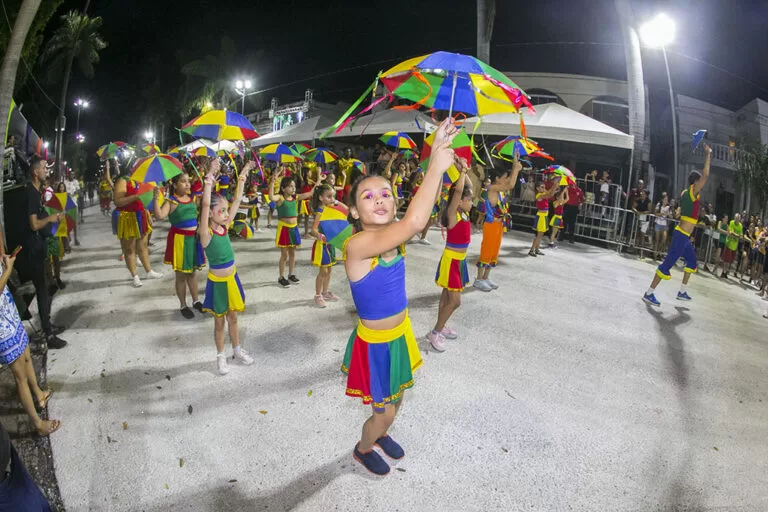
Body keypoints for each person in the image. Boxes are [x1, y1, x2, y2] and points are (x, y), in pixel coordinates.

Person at [342, 118, 459, 476]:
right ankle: (364, 447)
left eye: (385, 194)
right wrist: (436, 164)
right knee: (385, 409)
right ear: (353, 211)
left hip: (400, 333)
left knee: (400, 395)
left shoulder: (396, 239)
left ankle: (381, 435)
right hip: (376, 345)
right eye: (367, 196)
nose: (378, 199)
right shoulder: (357, 245)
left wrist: (437, 148)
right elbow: (415, 221)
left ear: (395, 205)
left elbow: (417, 216)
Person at [198, 159, 255, 375]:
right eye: (220, 210)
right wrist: (209, 178)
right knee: (219, 322)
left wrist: (243, 173)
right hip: (218, 283)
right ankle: (221, 357)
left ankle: (237, 350)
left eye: (225, 210)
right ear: (210, 214)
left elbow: (238, 199)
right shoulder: (206, 234)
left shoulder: (225, 226)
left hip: (232, 279)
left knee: (233, 318)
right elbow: (205, 204)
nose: (225, 213)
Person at [0, 252, 60, 436]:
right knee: (20, 376)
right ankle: (38, 424)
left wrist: (4, 262)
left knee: (26, 356)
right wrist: (8, 270)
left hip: (9, 313)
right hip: (2, 327)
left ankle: (39, 394)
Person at [643, 144, 711, 306]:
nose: (702, 185)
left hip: (685, 236)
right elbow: (706, 175)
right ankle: (649, 293)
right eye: (699, 182)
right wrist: (708, 155)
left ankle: (682, 291)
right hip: (681, 236)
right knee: (668, 263)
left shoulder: (685, 193)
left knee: (692, 262)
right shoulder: (693, 192)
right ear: (695, 182)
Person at [18, 156, 67, 349]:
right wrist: (50, 219)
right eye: (45, 168)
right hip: (33, 250)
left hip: (38, 247)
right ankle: (48, 334)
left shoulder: (35, 192)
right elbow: (34, 224)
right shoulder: (31, 193)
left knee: (44, 289)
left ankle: (48, 326)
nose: (47, 171)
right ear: (35, 172)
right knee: (42, 290)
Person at [428, 165, 471, 352]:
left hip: (459, 260)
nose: (471, 202)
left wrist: (465, 169)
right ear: (459, 201)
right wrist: (461, 173)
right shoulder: (453, 215)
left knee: (446, 296)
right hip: (451, 260)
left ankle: (440, 325)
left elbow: (467, 187)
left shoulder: (464, 213)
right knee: (455, 301)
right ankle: (435, 332)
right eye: (468, 200)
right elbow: (460, 190)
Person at [153, 172, 205, 318]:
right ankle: (183, 305)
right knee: (181, 276)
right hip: (180, 242)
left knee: (193, 273)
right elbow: (159, 216)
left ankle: (196, 301)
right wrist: (156, 198)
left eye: (188, 181)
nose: (187, 184)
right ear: (175, 185)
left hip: (194, 241)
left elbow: (203, 210)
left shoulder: (193, 199)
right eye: (183, 181)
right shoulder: (171, 201)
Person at [112, 160, 163, 287]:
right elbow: (118, 202)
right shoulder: (123, 180)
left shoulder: (139, 180)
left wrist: (147, 211)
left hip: (141, 215)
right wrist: (136, 196)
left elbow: (144, 198)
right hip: (127, 217)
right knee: (130, 249)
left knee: (143, 246)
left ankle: (148, 271)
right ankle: (134, 275)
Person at [269, 168, 323, 287]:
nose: (293, 188)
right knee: (284, 255)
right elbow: (271, 197)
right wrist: (273, 181)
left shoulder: (296, 197)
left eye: (294, 186)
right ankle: (281, 276)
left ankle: (291, 274)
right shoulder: (280, 198)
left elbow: (310, 193)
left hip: (294, 228)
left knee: (293, 253)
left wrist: (318, 180)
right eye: (290, 186)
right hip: (284, 228)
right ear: (283, 188)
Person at [473, 159, 521, 288]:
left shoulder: (499, 191)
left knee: (494, 252)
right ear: (497, 179)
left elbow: (510, 182)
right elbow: (510, 185)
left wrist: (515, 163)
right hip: (491, 225)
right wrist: (516, 168)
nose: (506, 180)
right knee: (486, 251)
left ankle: (485, 277)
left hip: (499, 225)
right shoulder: (492, 188)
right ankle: (478, 279)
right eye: (504, 178)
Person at [309, 184, 342, 308]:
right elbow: (313, 230)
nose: (332, 199)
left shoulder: (330, 209)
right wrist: (320, 236)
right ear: (321, 198)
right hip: (321, 245)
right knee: (322, 272)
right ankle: (318, 295)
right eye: (329, 196)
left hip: (330, 244)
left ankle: (325, 292)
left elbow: (346, 209)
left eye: (333, 196)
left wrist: (336, 201)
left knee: (329, 270)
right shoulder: (320, 211)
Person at [529, 180, 559, 257]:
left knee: (541, 235)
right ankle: (532, 250)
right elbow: (549, 194)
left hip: (544, 216)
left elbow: (550, 193)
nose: (544, 188)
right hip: (541, 216)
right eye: (542, 187)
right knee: (539, 235)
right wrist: (554, 185)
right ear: (537, 188)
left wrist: (555, 187)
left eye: (544, 187)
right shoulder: (539, 195)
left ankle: (536, 249)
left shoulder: (542, 193)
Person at [721, 213, 743, 279]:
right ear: (734, 218)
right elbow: (731, 232)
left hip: (734, 246)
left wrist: (739, 235)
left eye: (738, 218)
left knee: (730, 261)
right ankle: (723, 272)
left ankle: (726, 273)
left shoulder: (740, 225)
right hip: (729, 243)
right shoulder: (731, 222)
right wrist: (737, 235)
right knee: (726, 260)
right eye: (736, 218)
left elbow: (741, 235)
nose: (737, 219)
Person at [653, 192, 670, 260]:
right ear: (662, 199)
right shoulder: (659, 205)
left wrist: (668, 214)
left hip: (664, 224)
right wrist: (661, 214)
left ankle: (658, 251)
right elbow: (655, 213)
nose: (666, 201)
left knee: (663, 239)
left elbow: (671, 216)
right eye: (665, 199)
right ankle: (655, 255)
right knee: (657, 240)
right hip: (658, 223)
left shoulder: (668, 207)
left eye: (667, 199)